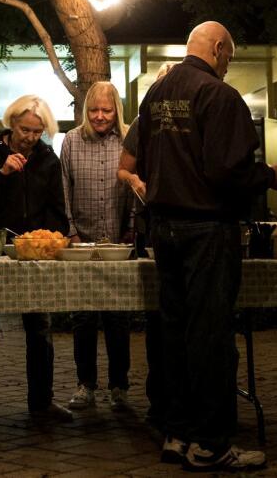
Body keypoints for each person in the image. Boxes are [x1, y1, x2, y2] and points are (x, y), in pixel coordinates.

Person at [137, 21, 277, 472]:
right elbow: (228, 171)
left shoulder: (156, 95)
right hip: (206, 229)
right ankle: (211, 443)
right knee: (210, 337)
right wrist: (270, 176)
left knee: (176, 335)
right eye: (229, 57)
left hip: (163, 228)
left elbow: (143, 161)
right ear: (219, 48)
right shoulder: (219, 96)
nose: (227, 66)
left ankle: (177, 432)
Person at [0, 94, 73, 423]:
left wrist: (51, 238)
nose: (30, 137)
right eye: (25, 130)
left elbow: (56, 209)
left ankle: (42, 400)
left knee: (39, 326)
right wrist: (2, 173)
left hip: (32, 252)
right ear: (12, 124)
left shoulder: (49, 160)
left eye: (37, 132)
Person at [60, 82, 134, 413]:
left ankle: (119, 386)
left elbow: (137, 187)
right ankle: (85, 385)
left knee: (118, 317)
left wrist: (131, 230)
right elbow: (63, 189)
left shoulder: (129, 139)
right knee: (83, 317)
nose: (100, 116)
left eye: (106, 110)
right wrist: (71, 233)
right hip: (81, 242)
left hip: (118, 243)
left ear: (116, 109)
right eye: (94, 110)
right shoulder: (72, 141)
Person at [118, 63, 171, 431]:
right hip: (153, 224)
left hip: (188, 222)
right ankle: (160, 401)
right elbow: (124, 169)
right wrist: (136, 181)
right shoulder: (143, 124)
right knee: (159, 313)